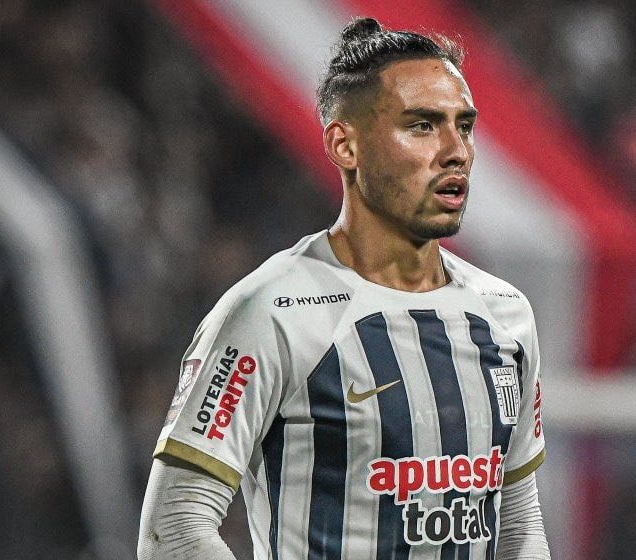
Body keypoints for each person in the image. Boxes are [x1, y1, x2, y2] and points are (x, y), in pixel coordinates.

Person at [138, 17, 550, 560]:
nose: (457, 151)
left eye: (464, 126)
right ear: (345, 145)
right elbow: (175, 525)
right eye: (422, 125)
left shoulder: (506, 314)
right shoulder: (273, 310)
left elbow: (518, 523)